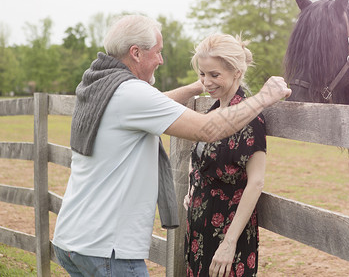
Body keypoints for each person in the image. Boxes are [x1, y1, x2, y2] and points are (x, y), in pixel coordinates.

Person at [52, 14, 290, 277]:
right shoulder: (131, 93)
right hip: (107, 249)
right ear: (136, 53)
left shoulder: (102, 84)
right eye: (158, 52)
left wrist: (194, 87)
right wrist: (263, 98)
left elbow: (154, 102)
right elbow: (205, 129)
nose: (161, 60)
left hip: (73, 239)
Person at [184, 33, 267, 277]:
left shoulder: (251, 118)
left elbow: (256, 181)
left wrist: (229, 243)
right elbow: (197, 158)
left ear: (237, 72)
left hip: (228, 235)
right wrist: (192, 187)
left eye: (214, 75)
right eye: (202, 74)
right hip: (199, 231)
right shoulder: (212, 111)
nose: (206, 82)